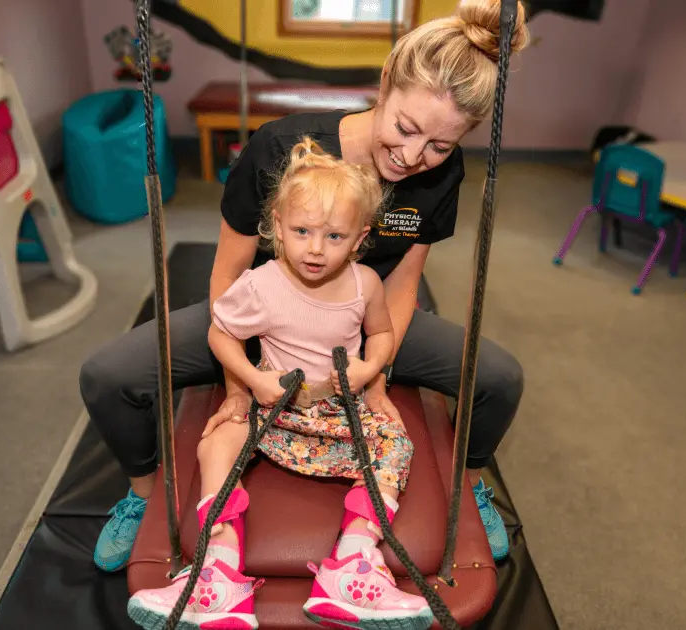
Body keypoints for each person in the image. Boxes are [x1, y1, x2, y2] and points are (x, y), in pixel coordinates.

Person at [80, 0, 529, 576]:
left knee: (498, 379)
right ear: (385, 84)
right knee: (108, 376)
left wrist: (375, 376)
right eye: (406, 128)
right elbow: (227, 275)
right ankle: (141, 498)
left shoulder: (443, 173)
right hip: (262, 318)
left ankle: (469, 490)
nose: (415, 157)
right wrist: (239, 385)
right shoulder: (280, 148)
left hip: (360, 318)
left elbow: (404, 283)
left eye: (439, 146)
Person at [128, 136, 434, 630]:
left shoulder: (365, 286)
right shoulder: (262, 285)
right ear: (277, 229)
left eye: (335, 237)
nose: (315, 248)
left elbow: (381, 333)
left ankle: (354, 564)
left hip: (339, 417)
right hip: (274, 411)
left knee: (397, 443)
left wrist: (367, 369)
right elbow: (220, 333)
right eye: (302, 231)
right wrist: (249, 380)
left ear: (359, 240)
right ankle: (219, 570)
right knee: (217, 441)